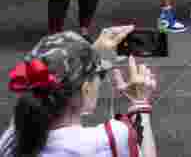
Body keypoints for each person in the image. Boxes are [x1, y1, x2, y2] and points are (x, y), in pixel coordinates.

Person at [0, 25, 159, 157]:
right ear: (86, 90)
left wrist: (90, 58)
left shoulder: (13, 140)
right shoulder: (109, 141)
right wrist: (140, 103)